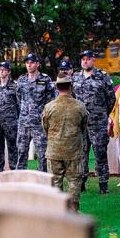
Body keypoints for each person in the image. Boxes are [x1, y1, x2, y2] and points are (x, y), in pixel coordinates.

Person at [72, 50, 116, 194]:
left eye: (88, 59)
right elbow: (71, 98)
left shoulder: (102, 77)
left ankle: (103, 184)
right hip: (80, 124)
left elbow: (111, 99)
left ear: (93, 60)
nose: (85, 61)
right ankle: (82, 182)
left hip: (98, 123)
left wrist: (102, 114)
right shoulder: (75, 78)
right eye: (83, 59)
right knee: (81, 155)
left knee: (100, 154)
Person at [42, 76, 88, 211]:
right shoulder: (80, 106)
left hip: (54, 151)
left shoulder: (49, 107)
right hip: (73, 151)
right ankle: (73, 211)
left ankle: (57, 211)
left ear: (57, 87)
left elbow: (45, 127)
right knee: (74, 181)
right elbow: (84, 126)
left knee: (55, 182)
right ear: (70, 87)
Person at [16, 53, 55, 172]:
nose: (29, 65)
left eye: (32, 62)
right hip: (24, 123)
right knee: (21, 152)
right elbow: (18, 98)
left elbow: (50, 100)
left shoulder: (45, 79)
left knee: (43, 154)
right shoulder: (21, 79)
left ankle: (43, 180)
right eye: (27, 62)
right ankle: (20, 180)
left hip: (39, 124)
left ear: (37, 64)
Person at [0, 61, 19, 176]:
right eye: (0, 69)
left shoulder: (15, 86)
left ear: (9, 71)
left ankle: (14, 171)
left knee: (12, 147)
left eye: (4, 69)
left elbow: (19, 104)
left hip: (11, 123)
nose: (1, 71)